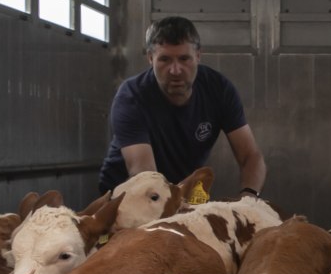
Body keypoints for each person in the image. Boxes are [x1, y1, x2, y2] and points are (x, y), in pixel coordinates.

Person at [98, 15, 268, 199]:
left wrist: (249, 198)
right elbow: (144, 173)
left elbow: (251, 156)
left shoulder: (219, 89)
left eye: (184, 59)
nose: (175, 70)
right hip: (128, 195)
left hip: (183, 192)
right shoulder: (131, 96)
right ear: (150, 58)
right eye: (165, 60)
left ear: (198, 56)